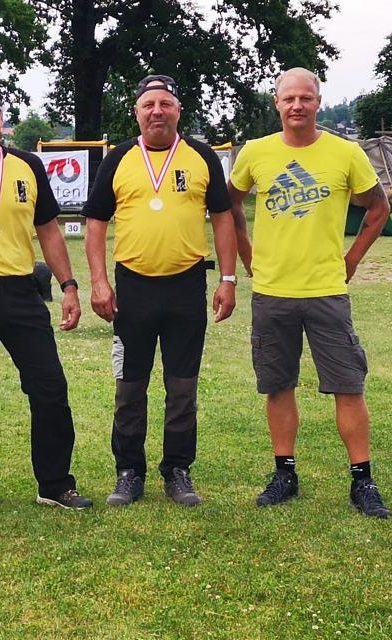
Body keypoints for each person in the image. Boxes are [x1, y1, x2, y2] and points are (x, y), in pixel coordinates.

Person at [227, 67, 392, 518]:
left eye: (306, 98)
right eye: (289, 98)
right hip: (272, 290)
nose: (297, 105)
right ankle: (285, 473)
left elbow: (378, 207)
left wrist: (352, 258)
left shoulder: (346, 152)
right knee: (278, 386)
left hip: (325, 290)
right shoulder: (256, 153)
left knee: (348, 385)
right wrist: (246, 254)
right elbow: (230, 206)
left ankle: (362, 480)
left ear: (318, 101)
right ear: (276, 103)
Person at [82, 74, 237, 508]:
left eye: (165, 104)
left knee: (182, 385)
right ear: (137, 111)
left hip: (186, 286)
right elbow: (95, 222)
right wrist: (98, 281)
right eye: (149, 104)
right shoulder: (117, 159)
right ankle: (129, 471)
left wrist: (227, 278)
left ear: (178, 110)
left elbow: (223, 218)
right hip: (132, 288)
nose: (157, 111)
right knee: (129, 385)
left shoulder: (201, 156)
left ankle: (178, 470)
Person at [0, 83, 92, 513]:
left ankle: (55, 483)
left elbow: (48, 229)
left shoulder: (27, 165)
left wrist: (68, 285)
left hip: (23, 290)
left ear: (1, 119)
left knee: (49, 387)